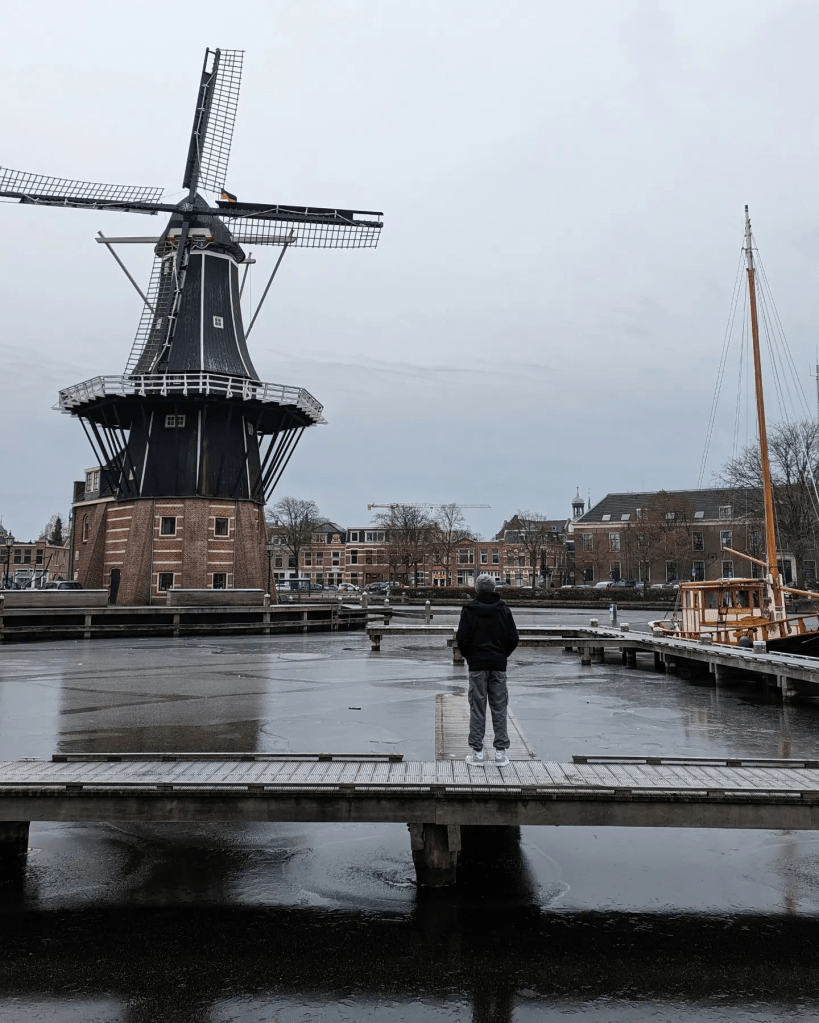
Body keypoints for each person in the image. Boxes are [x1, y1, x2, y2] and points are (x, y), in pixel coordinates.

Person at [455, 574, 519, 767]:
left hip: (477, 665)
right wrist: (502, 655)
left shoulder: (469, 610)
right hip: (498, 664)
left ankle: (477, 753)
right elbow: (513, 638)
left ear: (476, 589)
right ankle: (500, 753)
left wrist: (471, 657)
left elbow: (462, 638)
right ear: (494, 589)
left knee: (477, 708)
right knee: (499, 707)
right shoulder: (504, 610)